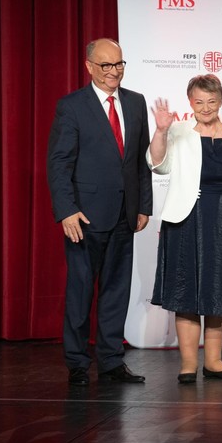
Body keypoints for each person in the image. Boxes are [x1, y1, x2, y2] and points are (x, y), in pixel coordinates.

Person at [148, 75, 222, 383]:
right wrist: (161, 131)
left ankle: (213, 361)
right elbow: (157, 164)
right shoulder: (177, 130)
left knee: (219, 289)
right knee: (186, 291)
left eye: (211, 102)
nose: (205, 108)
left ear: (220, 101)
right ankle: (188, 364)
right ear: (190, 102)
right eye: (199, 102)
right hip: (185, 219)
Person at [47, 38, 153, 386]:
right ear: (90, 67)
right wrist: (66, 210)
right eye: (106, 65)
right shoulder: (72, 106)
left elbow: (140, 160)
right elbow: (59, 163)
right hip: (84, 217)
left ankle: (111, 362)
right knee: (81, 291)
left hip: (125, 213)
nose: (114, 71)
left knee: (116, 291)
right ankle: (77, 363)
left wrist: (143, 205)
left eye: (119, 64)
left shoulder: (136, 102)